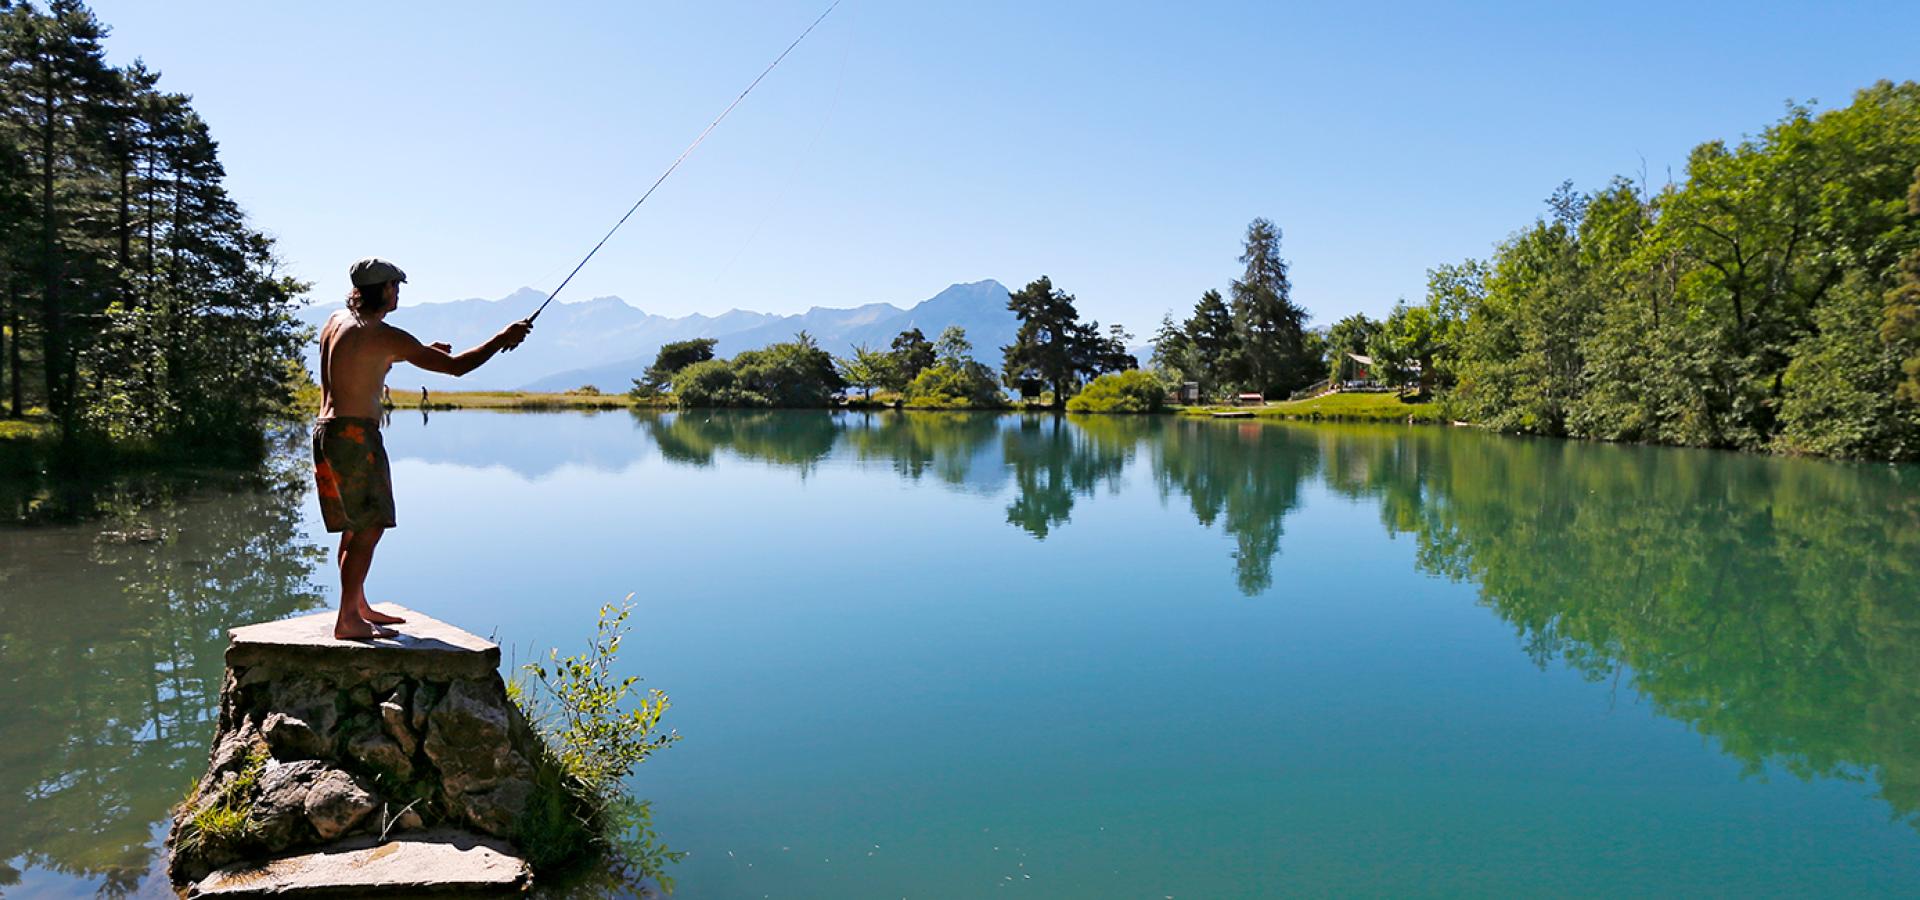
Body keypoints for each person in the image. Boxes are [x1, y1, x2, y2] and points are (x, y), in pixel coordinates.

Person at [314, 257, 532, 639]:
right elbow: (457, 367)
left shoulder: (337, 322)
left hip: (325, 433)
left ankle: (357, 606)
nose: (398, 292)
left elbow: (361, 360)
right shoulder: (385, 335)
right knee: (370, 526)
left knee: (354, 525)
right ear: (383, 290)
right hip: (355, 438)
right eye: (396, 286)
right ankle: (348, 620)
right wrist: (502, 338)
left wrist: (414, 350)